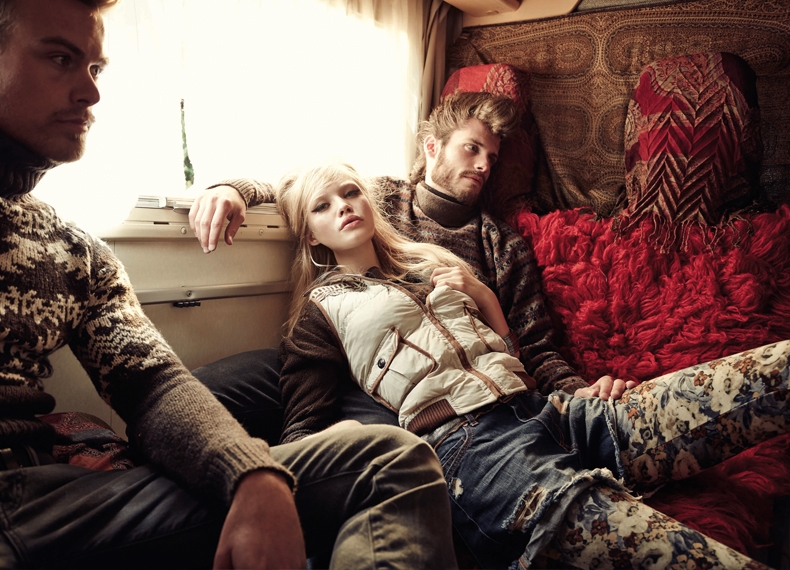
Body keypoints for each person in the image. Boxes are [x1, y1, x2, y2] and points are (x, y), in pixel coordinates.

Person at [0, 0, 459, 568]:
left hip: (40, 498)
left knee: (393, 461)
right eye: (60, 59)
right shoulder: (331, 289)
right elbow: (296, 183)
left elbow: (153, 386)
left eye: (95, 68)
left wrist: (252, 474)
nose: (91, 93)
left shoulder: (73, 251)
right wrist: (235, 188)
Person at [271, 160, 790, 570]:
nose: (343, 206)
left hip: (551, 413)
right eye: (322, 205)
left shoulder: (427, 262)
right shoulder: (319, 312)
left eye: (351, 192)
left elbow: (505, 350)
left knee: (772, 372)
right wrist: (236, 191)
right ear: (309, 234)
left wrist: (480, 293)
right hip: (476, 454)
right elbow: (302, 434)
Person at [190, 92, 634, 445]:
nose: (483, 165)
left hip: (443, 386)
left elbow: (534, 344)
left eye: (492, 157)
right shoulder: (379, 197)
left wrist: (577, 391)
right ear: (432, 147)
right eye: (472, 148)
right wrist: (234, 190)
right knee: (211, 387)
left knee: (367, 428)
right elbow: (307, 192)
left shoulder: (502, 244)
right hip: (349, 352)